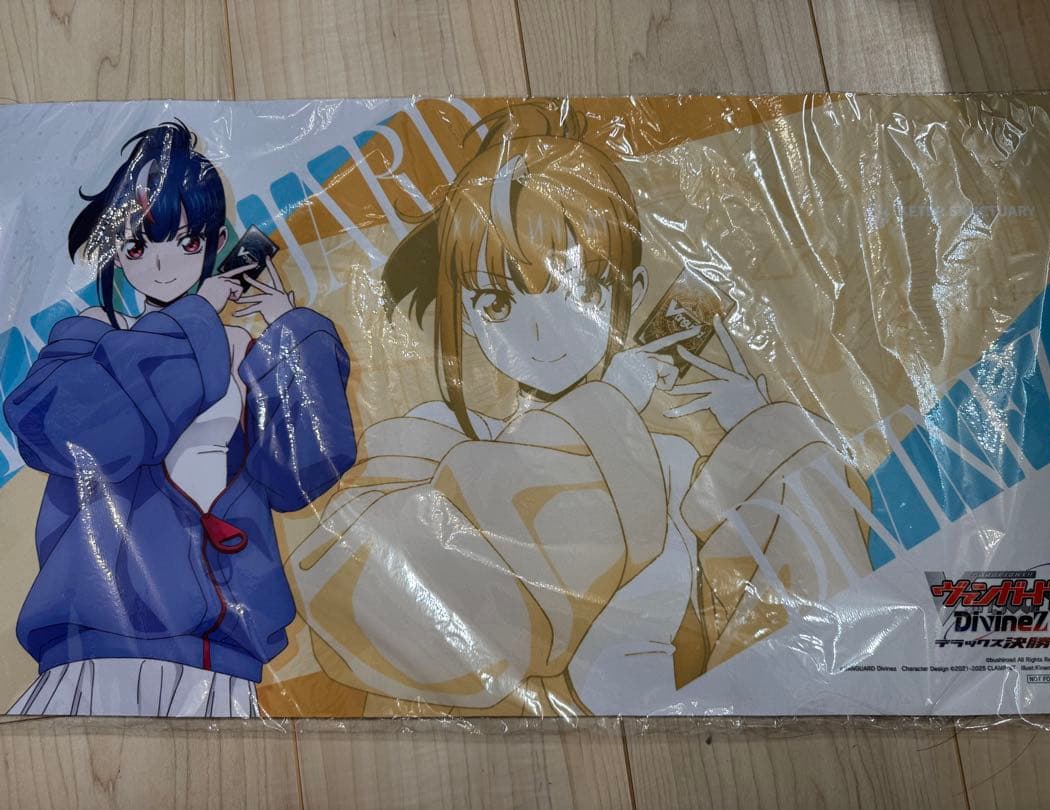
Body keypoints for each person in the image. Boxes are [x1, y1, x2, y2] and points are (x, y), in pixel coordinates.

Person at [288, 102, 869, 715]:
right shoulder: (427, 447)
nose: (542, 334)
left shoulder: (673, 464)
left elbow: (794, 619)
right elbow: (360, 595)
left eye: (578, 291)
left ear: (631, 294)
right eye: (497, 304)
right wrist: (607, 412)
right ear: (466, 314)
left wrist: (760, 439)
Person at [3, 121, 356, 717]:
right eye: (138, 246)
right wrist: (197, 317)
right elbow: (75, 433)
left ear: (215, 241)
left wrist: (288, 328)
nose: (163, 265)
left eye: (187, 242)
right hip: (105, 634)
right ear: (115, 250)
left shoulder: (239, 346)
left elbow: (298, 473)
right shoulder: (92, 335)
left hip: (221, 648)